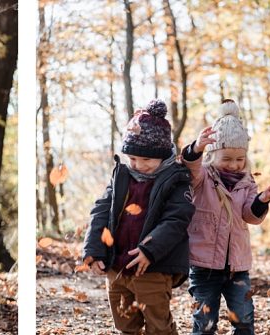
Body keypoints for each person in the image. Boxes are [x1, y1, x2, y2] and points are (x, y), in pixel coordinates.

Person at [82, 99, 195, 334]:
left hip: (153, 267)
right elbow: (101, 210)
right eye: (133, 158)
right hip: (117, 265)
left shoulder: (176, 180)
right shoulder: (121, 176)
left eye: (147, 160)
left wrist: (149, 249)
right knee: (125, 323)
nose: (139, 165)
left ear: (163, 157)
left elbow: (176, 220)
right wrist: (93, 250)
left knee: (158, 325)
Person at [181, 100, 270, 335]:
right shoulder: (203, 178)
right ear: (213, 155)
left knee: (244, 318)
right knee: (205, 323)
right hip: (204, 266)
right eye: (227, 158)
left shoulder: (247, 182)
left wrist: (261, 201)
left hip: (237, 266)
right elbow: (189, 166)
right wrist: (196, 148)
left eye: (239, 159)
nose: (234, 165)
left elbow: (250, 216)